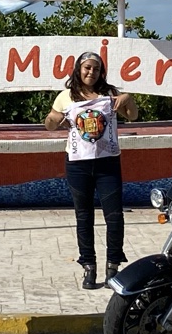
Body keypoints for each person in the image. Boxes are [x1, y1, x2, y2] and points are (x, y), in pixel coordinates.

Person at [44, 51, 139, 290]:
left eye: (95, 69)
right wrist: (54, 120)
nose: (91, 73)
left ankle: (112, 266)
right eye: (87, 68)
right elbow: (50, 124)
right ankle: (89, 266)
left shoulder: (110, 94)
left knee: (114, 216)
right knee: (83, 216)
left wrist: (128, 98)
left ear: (101, 72)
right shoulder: (66, 96)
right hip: (78, 164)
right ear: (78, 69)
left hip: (107, 163)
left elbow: (133, 116)